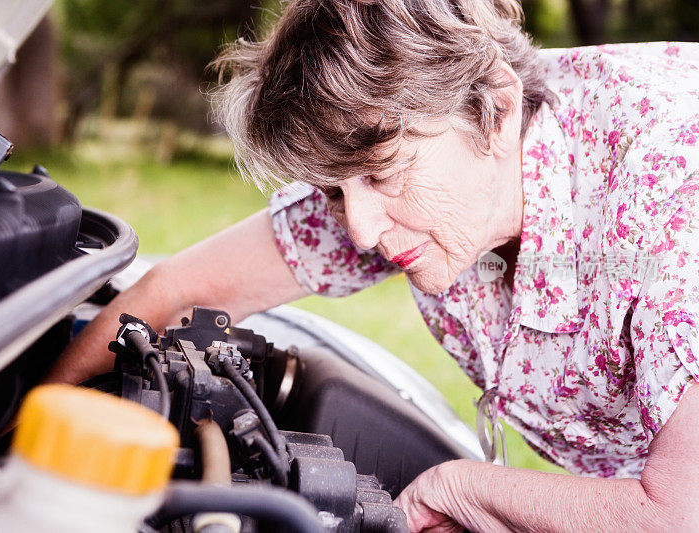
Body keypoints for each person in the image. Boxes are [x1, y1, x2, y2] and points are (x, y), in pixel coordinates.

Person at [48, 0, 699, 530]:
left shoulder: (670, 203)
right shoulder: (411, 134)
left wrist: (464, 487)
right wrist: (40, 421)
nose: (356, 226)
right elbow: (181, 289)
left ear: (498, 110)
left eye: (381, 176)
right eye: (334, 190)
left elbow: (681, 513)